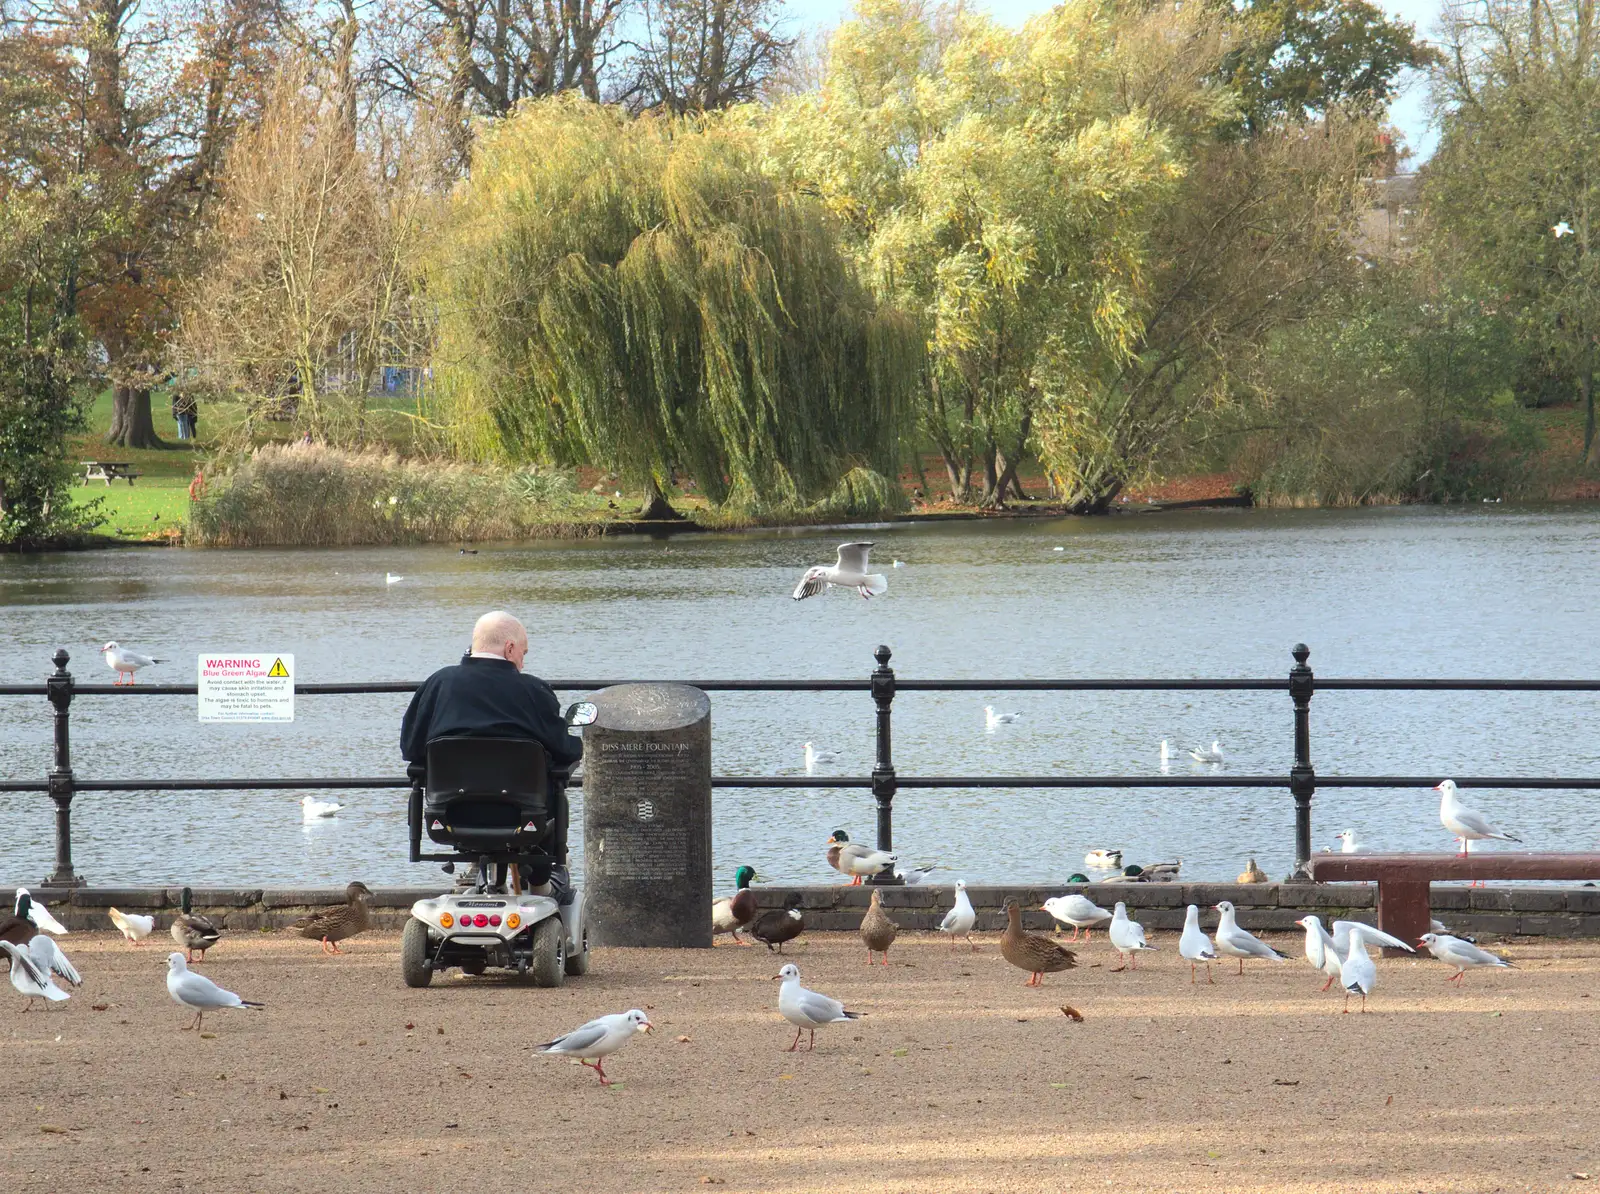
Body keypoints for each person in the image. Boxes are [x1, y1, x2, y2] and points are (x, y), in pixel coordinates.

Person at [401, 611, 583, 894]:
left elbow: (410, 747)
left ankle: (486, 878)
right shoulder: (533, 690)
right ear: (510, 648)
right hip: (522, 819)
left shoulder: (437, 685)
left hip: (451, 815)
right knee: (553, 787)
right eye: (523, 653)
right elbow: (564, 749)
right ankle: (541, 884)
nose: (523, 662)